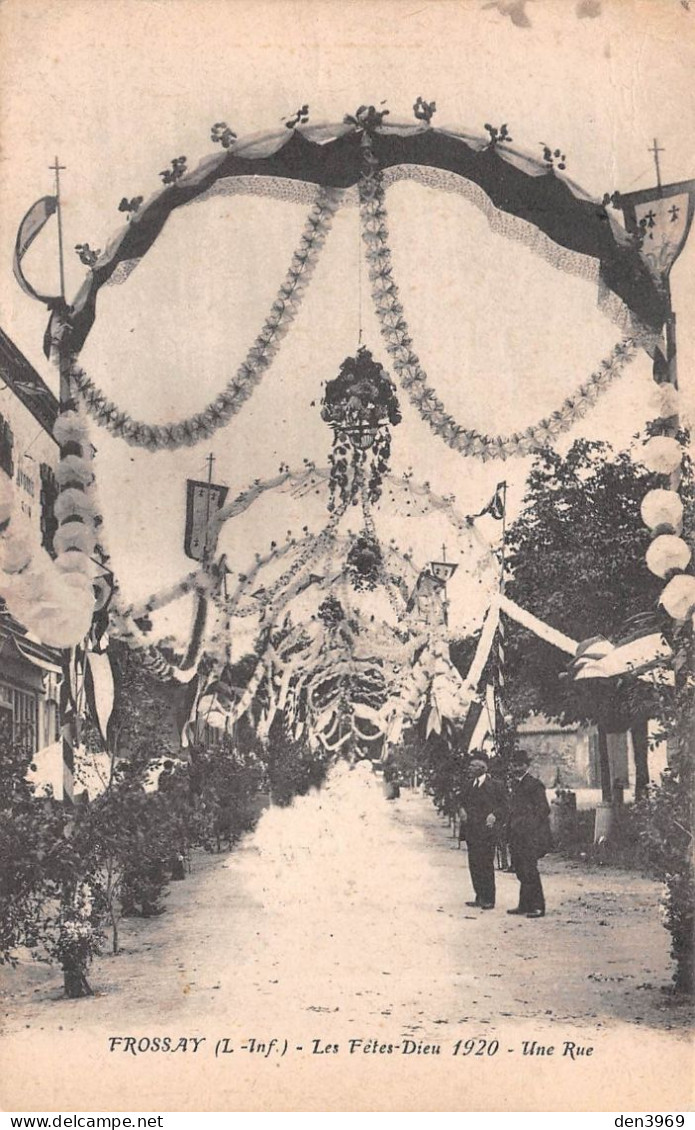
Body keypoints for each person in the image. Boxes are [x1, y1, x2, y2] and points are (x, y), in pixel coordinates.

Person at [459, 753, 509, 910]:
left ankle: (489, 898)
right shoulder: (468, 785)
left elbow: (505, 806)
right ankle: (479, 895)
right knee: (474, 863)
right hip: (472, 830)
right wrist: (461, 810)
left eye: (473, 766)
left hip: (487, 831)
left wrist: (495, 815)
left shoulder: (496, 785)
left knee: (486, 863)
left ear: (482, 768)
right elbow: (461, 801)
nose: (470, 768)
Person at [507, 749, 552, 919]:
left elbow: (543, 809)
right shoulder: (514, 784)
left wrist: (527, 824)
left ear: (527, 766)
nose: (516, 768)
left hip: (530, 835)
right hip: (516, 834)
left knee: (530, 870)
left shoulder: (534, 785)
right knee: (520, 869)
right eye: (514, 765)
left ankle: (538, 906)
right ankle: (524, 904)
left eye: (520, 765)